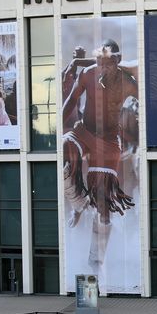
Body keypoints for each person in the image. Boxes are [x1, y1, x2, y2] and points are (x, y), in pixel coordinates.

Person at [61, 38, 140, 268]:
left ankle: (95, 261)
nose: (101, 69)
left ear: (117, 61)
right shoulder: (87, 73)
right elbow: (72, 101)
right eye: (98, 63)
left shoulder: (129, 82)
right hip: (84, 132)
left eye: (107, 64)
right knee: (65, 146)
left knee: (104, 207)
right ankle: (78, 204)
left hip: (108, 143)